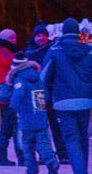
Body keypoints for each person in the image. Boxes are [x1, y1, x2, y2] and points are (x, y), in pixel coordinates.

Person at [41, 19, 92, 174]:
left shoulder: (55, 50)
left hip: (63, 101)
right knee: (82, 139)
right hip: (85, 100)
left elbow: (44, 76)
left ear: (63, 32)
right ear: (77, 32)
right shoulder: (89, 51)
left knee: (71, 139)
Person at [7, 56, 59, 174]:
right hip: (40, 114)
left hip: (26, 116)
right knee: (42, 142)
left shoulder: (19, 79)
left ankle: (32, 169)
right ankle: (51, 162)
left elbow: (18, 95)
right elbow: (45, 95)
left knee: (27, 143)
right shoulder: (37, 77)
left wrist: (13, 108)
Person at [25, 23, 66, 163]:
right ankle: (45, 154)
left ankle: (63, 153)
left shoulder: (53, 49)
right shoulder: (30, 53)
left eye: (43, 35)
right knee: (41, 125)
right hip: (37, 94)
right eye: (38, 35)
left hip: (52, 91)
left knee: (56, 124)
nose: (41, 38)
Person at [0, 29, 22, 166]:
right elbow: (13, 65)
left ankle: (1, 156)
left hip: (5, 94)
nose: (13, 40)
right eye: (10, 38)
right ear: (3, 39)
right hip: (10, 94)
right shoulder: (4, 52)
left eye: (15, 38)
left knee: (8, 127)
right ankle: (21, 157)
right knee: (15, 127)